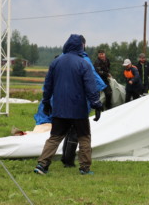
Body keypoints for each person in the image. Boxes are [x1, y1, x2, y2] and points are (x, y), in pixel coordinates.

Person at [33, 34, 103, 176]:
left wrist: (46, 102)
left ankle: (42, 165)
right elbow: (91, 87)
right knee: (84, 137)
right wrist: (96, 104)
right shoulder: (84, 64)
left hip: (60, 108)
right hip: (79, 109)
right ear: (81, 46)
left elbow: (48, 85)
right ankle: (85, 168)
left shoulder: (56, 63)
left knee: (54, 137)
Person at [61, 36, 107, 168]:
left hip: (63, 100)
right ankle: (70, 160)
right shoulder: (84, 60)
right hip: (79, 100)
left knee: (67, 129)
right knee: (78, 131)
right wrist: (99, 96)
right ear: (82, 45)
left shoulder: (62, 59)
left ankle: (65, 157)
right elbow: (92, 79)